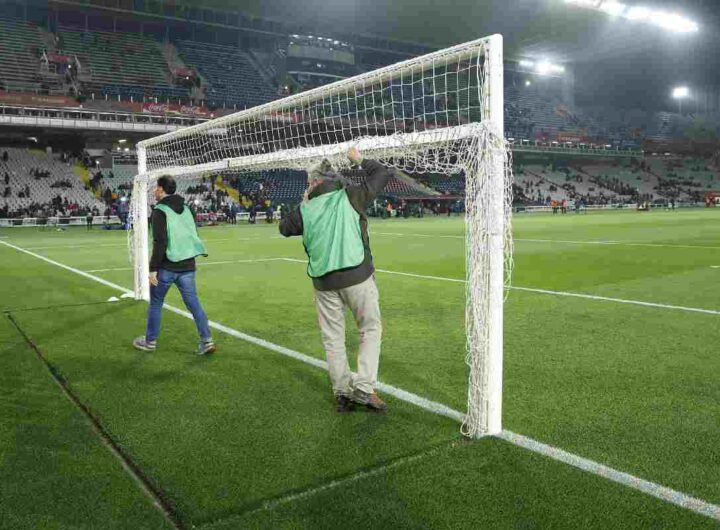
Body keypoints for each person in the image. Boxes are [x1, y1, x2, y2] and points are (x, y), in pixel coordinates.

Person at [280, 148, 390, 413]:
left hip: (324, 283)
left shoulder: (306, 208)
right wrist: (359, 159)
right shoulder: (351, 196)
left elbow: (285, 228)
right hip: (357, 277)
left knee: (333, 338)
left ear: (314, 182)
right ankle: (363, 388)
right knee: (370, 329)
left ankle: (341, 392)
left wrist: (304, 200)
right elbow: (383, 173)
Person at [133, 175, 215, 355]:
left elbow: (160, 242)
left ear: (161, 189)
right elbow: (190, 234)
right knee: (194, 303)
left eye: (156, 188)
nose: (154, 191)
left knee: (156, 302)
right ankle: (207, 340)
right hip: (187, 265)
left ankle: (150, 341)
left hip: (167, 267)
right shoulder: (187, 208)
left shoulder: (160, 211)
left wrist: (153, 269)